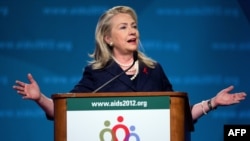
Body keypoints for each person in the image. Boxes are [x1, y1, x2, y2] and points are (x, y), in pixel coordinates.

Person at [13, 6, 246, 121]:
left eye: (134, 25)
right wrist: (40, 98)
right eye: (123, 27)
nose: (132, 31)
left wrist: (213, 102)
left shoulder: (154, 70)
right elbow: (65, 113)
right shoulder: (97, 73)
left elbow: (179, 116)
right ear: (108, 38)